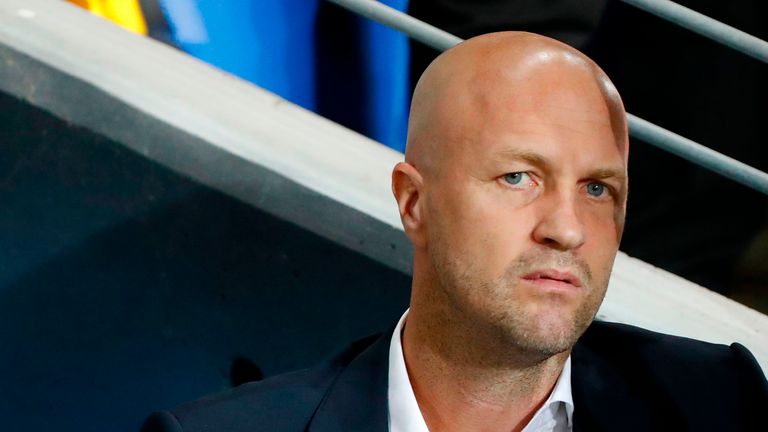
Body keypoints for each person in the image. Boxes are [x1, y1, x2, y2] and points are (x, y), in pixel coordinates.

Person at [142, 32, 767, 432]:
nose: (567, 228)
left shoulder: (716, 403)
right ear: (415, 203)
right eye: (520, 177)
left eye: (597, 188)